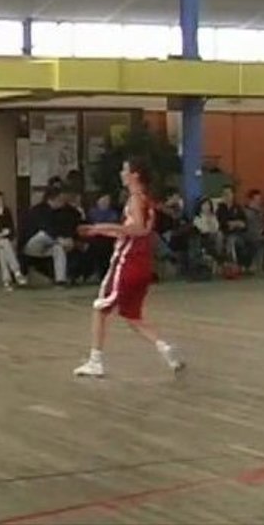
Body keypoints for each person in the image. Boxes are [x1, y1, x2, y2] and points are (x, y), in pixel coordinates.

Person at [73, 158, 184, 378]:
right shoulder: (146, 201)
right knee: (132, 316)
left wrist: (101, 226)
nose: (121, 173)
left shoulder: (135, 199)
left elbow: (137, 229)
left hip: (127, 263)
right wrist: (99, 231)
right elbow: (130, 231)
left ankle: (96, 360)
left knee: (99, 308)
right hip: (143, 265)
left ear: (134, 175)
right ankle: (164, 347)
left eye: (125, 169)